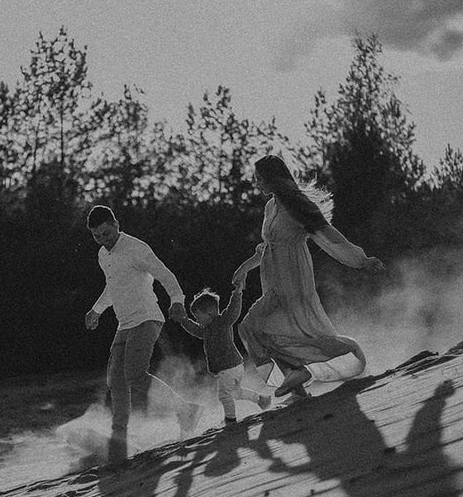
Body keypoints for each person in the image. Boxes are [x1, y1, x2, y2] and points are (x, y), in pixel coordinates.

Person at [232, 155, 385, 400]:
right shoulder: (271, 206)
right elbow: (267, 247)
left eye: (260, 178)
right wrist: (244, 269)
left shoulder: (296, 204)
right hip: (273, 282)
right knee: (257, 330)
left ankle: (312, 367)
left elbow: (330, 237)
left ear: (273, 178)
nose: (257, 183)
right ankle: (299, 387)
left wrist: (360, 260)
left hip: (293, 279)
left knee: (267, 328)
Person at [85, 205, 202, 463]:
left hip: (148, 318)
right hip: (124, 323)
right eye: (97, 236)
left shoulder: (136, 248)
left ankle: (186, 409)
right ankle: (119, 447)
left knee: (135, 374)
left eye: (106, 233)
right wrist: (96, 310)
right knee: (115, 381)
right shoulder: (103, 255)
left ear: (116, 224)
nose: (104, 240)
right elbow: (112, 285)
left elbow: (164, 274)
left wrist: (177, 300)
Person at [179, 281, 271, 424]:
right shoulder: (206, 330)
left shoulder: (222, 322)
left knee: (224, 395)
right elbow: (195, 329)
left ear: (209, 314)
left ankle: (230, 419)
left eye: (198, 317)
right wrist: (184, 320)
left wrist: (237, 294)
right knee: (235, 393)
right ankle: (262, 399)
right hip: (232, 367)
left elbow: (233, 311)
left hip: (229, 368)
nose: (197, 321)